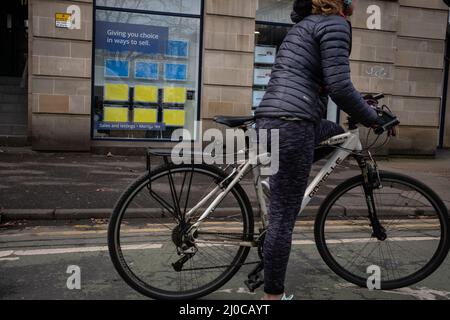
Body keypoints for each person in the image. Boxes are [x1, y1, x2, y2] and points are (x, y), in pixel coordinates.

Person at [255, 0, 381, 300]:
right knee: (283, 219)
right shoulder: (335, 25)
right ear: (342, 4)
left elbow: (322, 79)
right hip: (293, 124)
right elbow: (339, 86)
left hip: (271, 119)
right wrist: (373, 118)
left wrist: (360, 103)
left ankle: (282, 180)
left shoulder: (303, 26)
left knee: (335, 133)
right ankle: (273, 297)